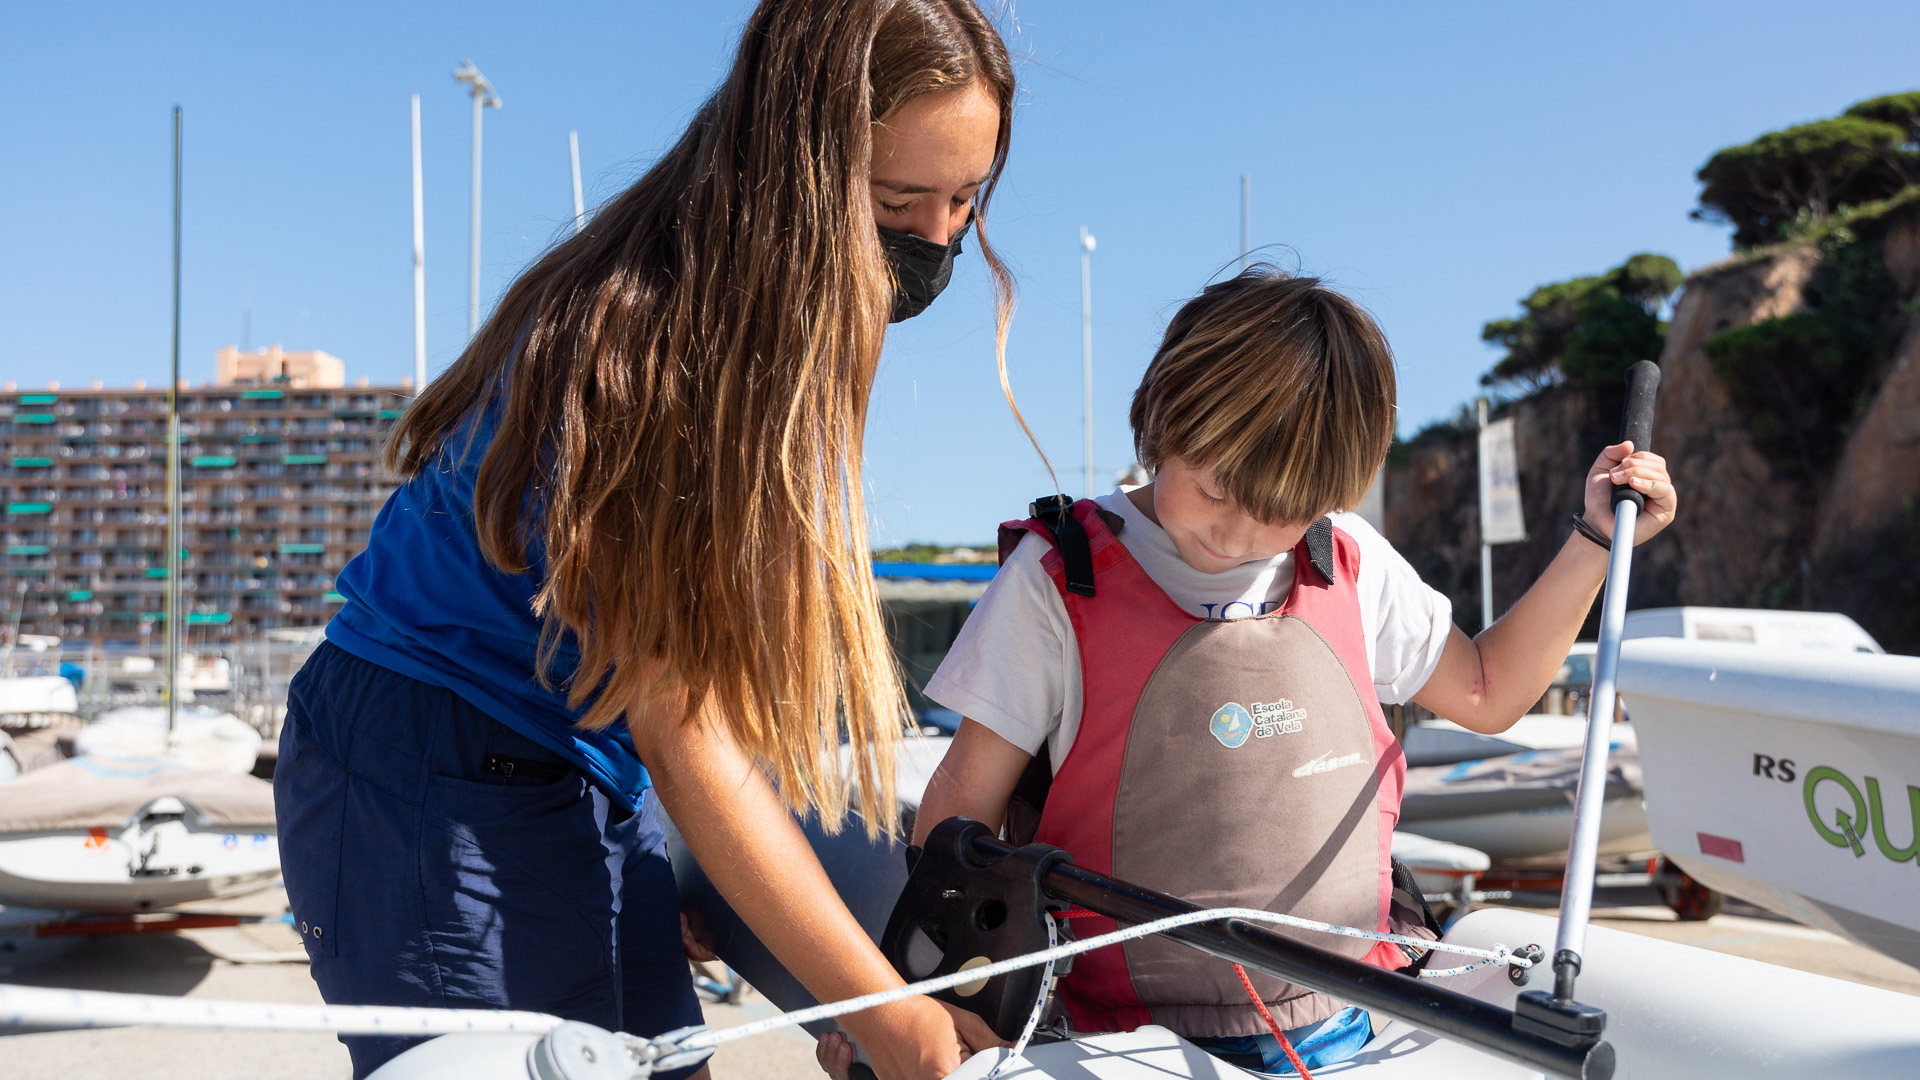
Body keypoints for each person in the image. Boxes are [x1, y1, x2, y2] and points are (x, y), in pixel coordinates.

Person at [272, 2, 1020, 1078]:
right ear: (795, 174)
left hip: (581, 763)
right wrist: (886, 1017)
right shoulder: (650, 345)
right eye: (899, 202)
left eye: (965, 199)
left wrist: (694, 874)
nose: (940, 238)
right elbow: (688, 730)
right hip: (428, 772)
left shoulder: (752, 319)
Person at [899, 267, 1678, 1075]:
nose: (1236, 537)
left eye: (1280, 513)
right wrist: (934, 1000)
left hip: (1346, 1012)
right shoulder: (1058, 577)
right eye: (1213, 491)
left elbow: (1488, 692)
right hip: (1117, 1039)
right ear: (1162, 419)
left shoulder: (1349, 562)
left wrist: (1595, 540)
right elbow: (961, 812)